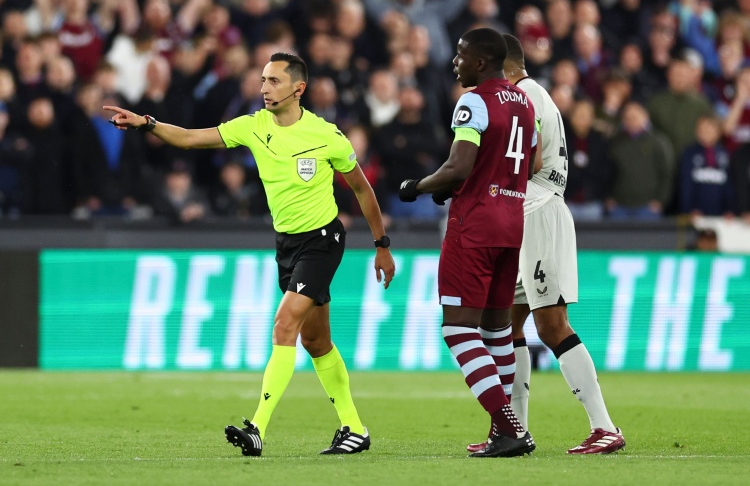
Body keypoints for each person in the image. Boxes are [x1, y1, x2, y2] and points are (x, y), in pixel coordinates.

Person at [104, 52, 396, 457]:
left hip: (323, 240)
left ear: (298, 89)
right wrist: (147, 123)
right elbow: (190, 138)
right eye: (262, 80)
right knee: (316, 342)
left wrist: (382, 245)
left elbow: (362, 188)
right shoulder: (253, 126)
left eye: (274, 81)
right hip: (287, 244)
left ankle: (257, 428)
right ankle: (354, 428)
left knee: (284, 324)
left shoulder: (326, 135)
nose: (264, 88)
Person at [470, 33, 624, 455]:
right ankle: (514, 429)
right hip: (523, 216)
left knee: (552, 324)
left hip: (538, 213)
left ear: (500, 66)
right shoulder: (532, 95)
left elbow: (529, 160)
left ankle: (604, 426)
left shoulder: (525, 97)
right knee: (505, 324)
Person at [398, 27, 537, 458]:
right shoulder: (525, 103)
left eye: (460, 55)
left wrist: (417, 186)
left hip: (474, 225)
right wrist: (464, 183)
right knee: (497, 331)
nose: (455, 62)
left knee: (458, 329)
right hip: (511, 222)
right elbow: (525, 162)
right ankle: (503, 431)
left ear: (480, 62)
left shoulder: (473, 102)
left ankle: (509, 427)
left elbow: (459, 166)